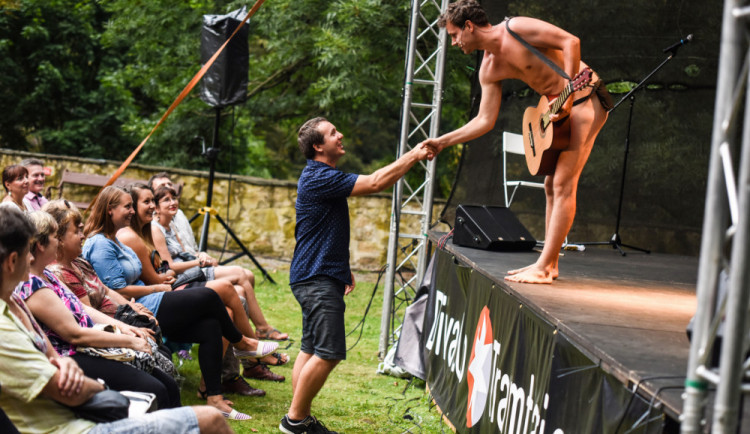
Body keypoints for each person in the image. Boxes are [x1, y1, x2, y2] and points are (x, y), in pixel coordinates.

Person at [420, 0, 611, 284]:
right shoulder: (489, 68)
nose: (455, 42)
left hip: (585, 97)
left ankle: (543, 267)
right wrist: (442, 141)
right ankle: (549, 265)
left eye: (454, 35)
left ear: (469, 26)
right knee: (550, 185)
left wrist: (569, 93)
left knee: (562, 184)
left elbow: (571, 41)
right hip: (554, 109)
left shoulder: (516, 28)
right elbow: (484, 120)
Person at [0, 206, 233, 433]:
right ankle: (243, 346)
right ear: (12, 261)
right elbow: (73, 342)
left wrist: (127, 323)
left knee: (204, 329)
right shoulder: (26, 293)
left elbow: (76, 318)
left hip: (92, 345)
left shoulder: (28, 290)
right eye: (27, 251)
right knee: (208, 298)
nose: (30, 256)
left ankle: (230, 367)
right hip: (79, 378)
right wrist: (104, 378)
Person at [280, 117, 431, 434]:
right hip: (316, 278)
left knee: (310, 348)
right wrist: (415, 154)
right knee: (329, 352)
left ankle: (299, 417)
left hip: (316, 273)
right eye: (332, 133)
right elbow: (376, 182)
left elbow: (323, 228)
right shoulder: (320, 176)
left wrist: (340, 267)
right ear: (318, 146)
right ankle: (295, 421)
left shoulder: (320, 176)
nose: (340, 135)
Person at [82, 185, 278, 420]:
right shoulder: (101, 244)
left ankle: (214, 398)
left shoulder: (115, 240)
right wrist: (157, 287)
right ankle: (243, 343)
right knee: (214, 293)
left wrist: (161, 279)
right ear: (110, 209)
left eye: (132, 206)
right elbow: (115, 290)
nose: (132, 211)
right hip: (138, 309)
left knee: (211, 326)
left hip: (150, 298)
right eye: (128, 207)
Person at [17, 211, 181, 409]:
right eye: (54, 237)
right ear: (40, 245)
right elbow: (75, 335)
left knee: (168, 383)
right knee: (157, 389)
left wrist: (125, 328)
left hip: (92, 341)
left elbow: (82, 308)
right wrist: (129, 341)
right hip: (74, 355)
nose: (58, 242)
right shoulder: (32, 285)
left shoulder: (46, 275)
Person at [152, 184, 288, 385]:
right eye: (166, 200)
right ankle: (258, 338)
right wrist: (199, 263)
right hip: (186, 277)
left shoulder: (172, 225)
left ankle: (241, 366)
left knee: (240, 289)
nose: (173, 202)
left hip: (192, 270)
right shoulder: (156, 229)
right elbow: (170, 265)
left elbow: (186, 253)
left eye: (174, 198)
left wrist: (201, 255)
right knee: (240, 274)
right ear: (156, 207)